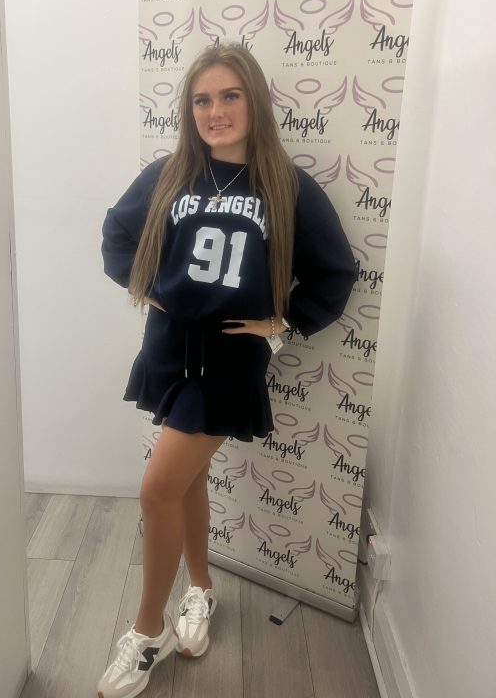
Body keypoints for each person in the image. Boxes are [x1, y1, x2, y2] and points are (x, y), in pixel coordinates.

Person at [97, 42, 357, 698]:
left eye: (230, 96)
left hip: (229, 361)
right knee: (183, 483)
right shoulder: (169, 174)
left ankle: (147, 631)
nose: (215, 111)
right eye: (202, 99)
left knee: (157, 489)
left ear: (255, 101)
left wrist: (284, 323)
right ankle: (202, 590)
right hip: (169, 349)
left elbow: (335, 270)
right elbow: (117, 234)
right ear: (190, 110)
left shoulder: (286, 185)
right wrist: (143, 282)